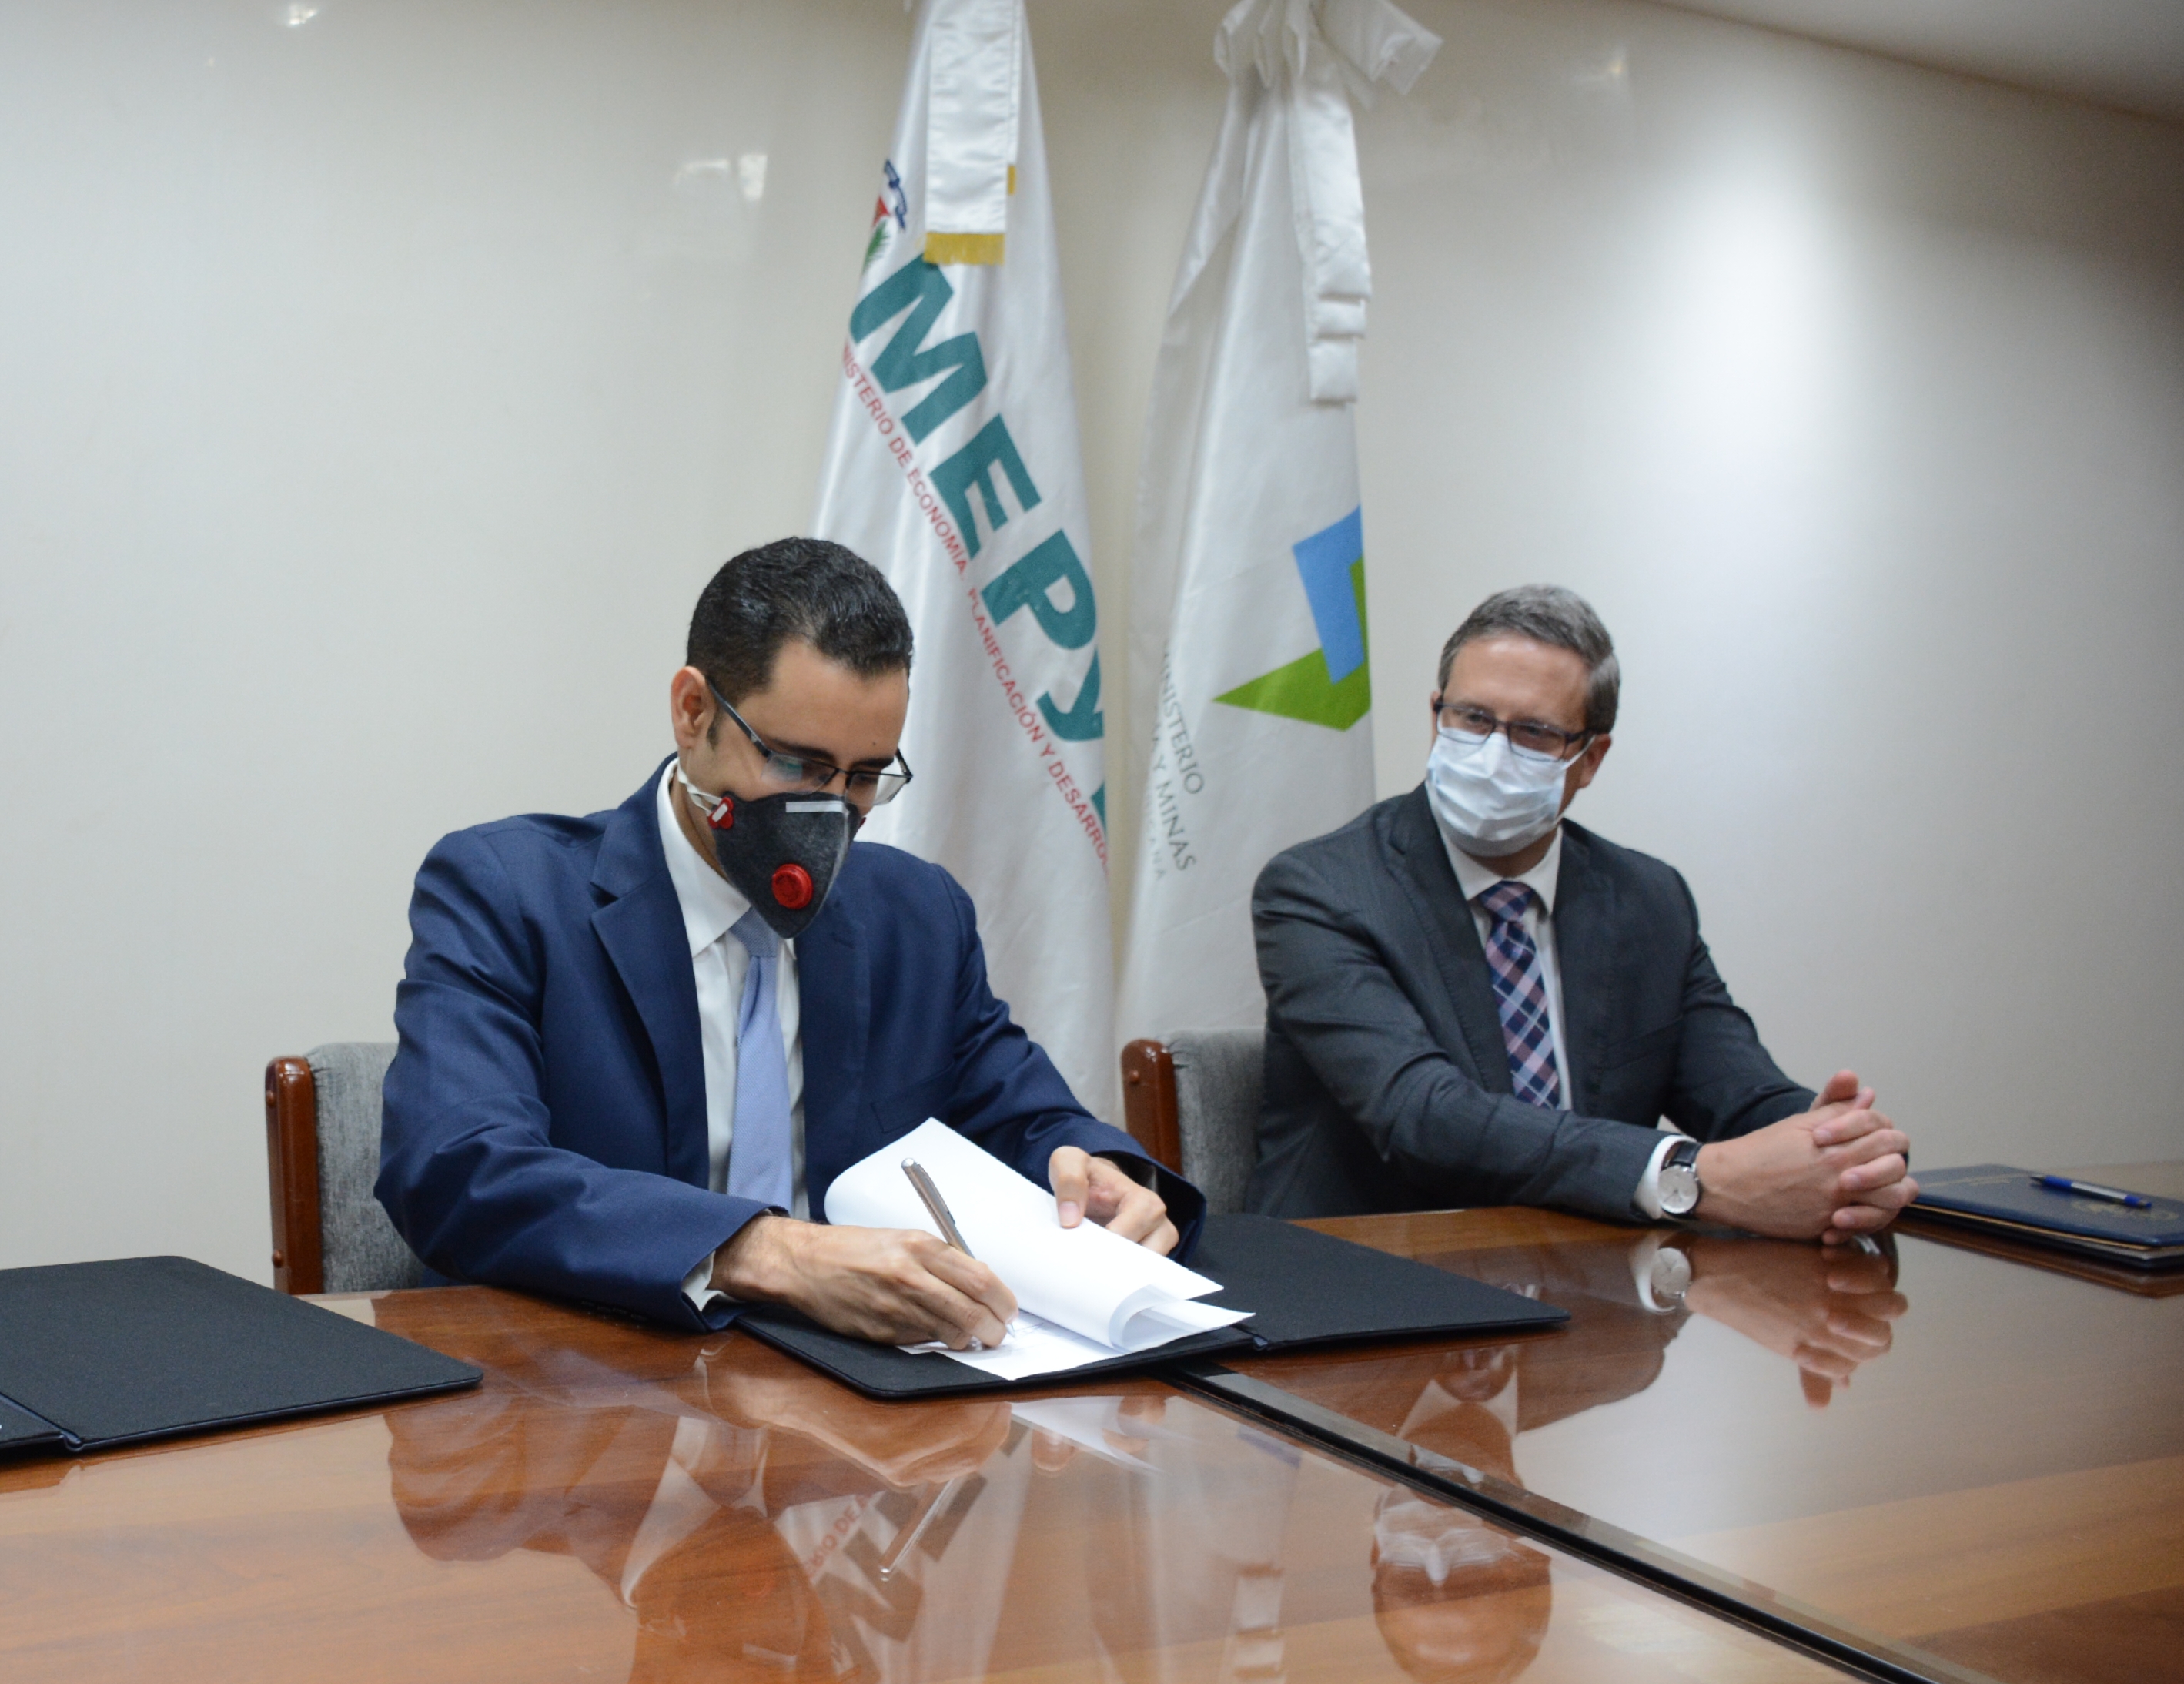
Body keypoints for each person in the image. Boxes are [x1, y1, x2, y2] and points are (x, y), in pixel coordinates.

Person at [381, 538, 1196, 1351]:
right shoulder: (508, 891)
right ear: (693, 712)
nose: (832, 811)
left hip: (866, 1390)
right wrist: (766, 1251)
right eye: (799, 765)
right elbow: (455, 1168)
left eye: (864, 776)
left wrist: (1100, 1175)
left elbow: (1026, 1118)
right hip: (592, 1382)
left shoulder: (916, 915)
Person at [1246, 585, 1916, 1240]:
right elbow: (1424, 1116)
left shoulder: (1648, 899)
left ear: (1589, 758)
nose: (1492, 753)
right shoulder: (1320, 889)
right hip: (1369, 1267)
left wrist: (1843, 1153)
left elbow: (1738, 1093)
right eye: (1472, 718)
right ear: (1435, 715)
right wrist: (1686, 1176)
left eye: (1534, 732)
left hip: (1593, 1274)